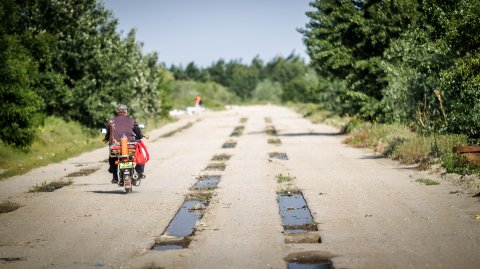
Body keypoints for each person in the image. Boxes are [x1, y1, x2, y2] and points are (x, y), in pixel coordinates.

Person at [104, 104, 146, 183]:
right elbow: (139, 135)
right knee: (141, 154)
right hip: (130, 146)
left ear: (117, 112)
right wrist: (139, 136)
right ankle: (140, 172)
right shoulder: (131, 120)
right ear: (126, 112)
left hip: (116, 147)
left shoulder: (111, 121)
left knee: (112, 158)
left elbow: (108, 134)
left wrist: (106, 138)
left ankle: (115, 177)